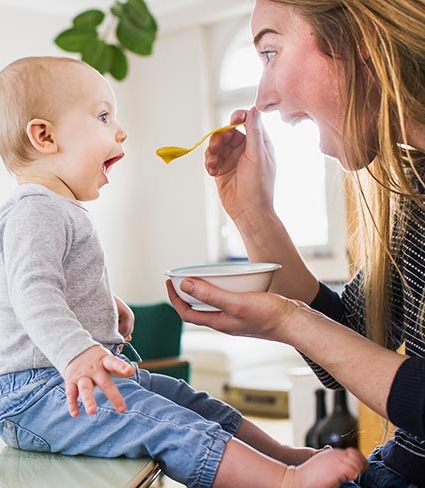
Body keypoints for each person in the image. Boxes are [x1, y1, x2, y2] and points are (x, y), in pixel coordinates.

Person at [0, 55, 366, 488]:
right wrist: (78, 353)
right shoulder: (34, 209)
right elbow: (32, 293)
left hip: (65, 379)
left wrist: (101, 306)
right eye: (103, 117)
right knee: (162, 422)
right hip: (38, 394)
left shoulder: (57, 209)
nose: (120, 130)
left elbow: (48, 285)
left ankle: (281, 455)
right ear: (44, 136)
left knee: (187, 400)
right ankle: (282, 481)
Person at [166, 1, 425, 486]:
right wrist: (254, 214)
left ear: (359, 38)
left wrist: (290, 321)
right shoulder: (417, 192)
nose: (263, 97)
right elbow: (357, 341)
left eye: (269, 52)